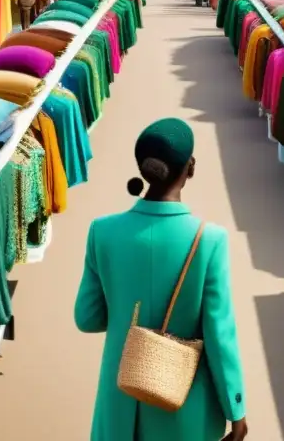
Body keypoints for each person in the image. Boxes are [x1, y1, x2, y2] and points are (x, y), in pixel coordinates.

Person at [75, 118, 248, 441]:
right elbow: (219, 335)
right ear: (190, 167)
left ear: (143, 169)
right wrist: (235, 410)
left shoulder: (102, 231)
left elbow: (87, 318)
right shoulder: (209, 240)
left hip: (120, 400)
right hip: (184, 405)